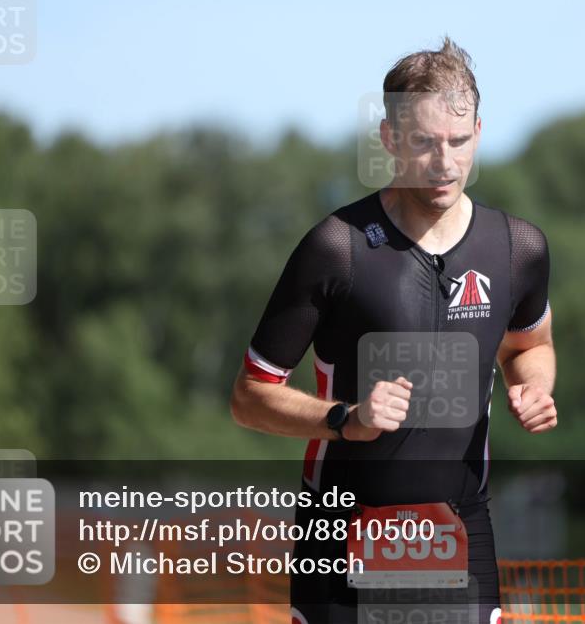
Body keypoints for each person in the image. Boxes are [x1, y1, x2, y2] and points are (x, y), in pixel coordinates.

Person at [231, 36, 557, 624]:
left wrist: (533, 386)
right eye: (425, 143)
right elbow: (250, 398)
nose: (445, 162)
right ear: (389, 139)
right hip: (341, 532)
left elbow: (530, 343)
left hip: (460, 527)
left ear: (479, 132)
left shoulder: (518, 249)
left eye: (459, 142)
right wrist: (345, 419)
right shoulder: (337, 248)